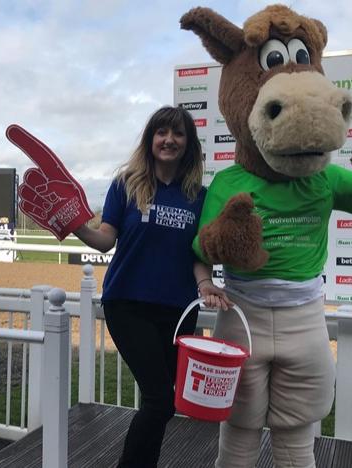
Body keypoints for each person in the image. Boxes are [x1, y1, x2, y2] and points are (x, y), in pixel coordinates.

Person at [73, 105, 232, 467]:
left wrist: (206, 283)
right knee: (160, 399)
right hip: (128, 305)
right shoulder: (125, 184)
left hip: (177, 312)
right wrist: (77, 226)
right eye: (162, 132)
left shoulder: (199, 196)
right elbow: (105, 239)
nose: (169, 140)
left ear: (188, 144)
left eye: (178, 134)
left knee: (162, 401)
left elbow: (198, 253)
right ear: (150, 139)